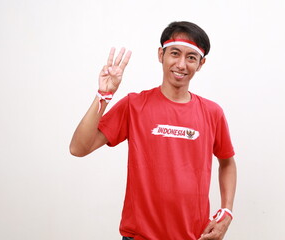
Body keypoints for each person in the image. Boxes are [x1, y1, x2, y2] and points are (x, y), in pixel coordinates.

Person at [70, 21, 237, 240]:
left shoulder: (212, 112)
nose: (181, 64)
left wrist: (227, 210)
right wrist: (103, 95)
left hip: (194, 236)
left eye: (191, 57)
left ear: (201, 64)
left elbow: (227, 162)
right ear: (161, 54)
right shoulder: (134, 105)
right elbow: (79, 148)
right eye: (175, 53)